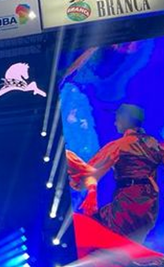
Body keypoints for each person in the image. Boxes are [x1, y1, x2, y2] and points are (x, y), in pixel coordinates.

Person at [66, 104, 164, 243]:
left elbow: (90, 172)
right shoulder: (154, 144)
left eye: (117, 117)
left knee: (92, 226)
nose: (115, 121)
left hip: (128, 203)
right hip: (150, 205)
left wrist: (70, 160)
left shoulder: (120, 145)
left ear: (126, 118)